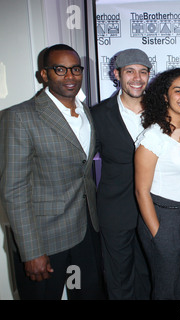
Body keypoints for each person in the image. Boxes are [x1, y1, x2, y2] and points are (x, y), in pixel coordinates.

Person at [0, 44, 105, 299]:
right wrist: (31, 251)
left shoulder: (86, 112)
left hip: (86, 232)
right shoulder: (20, 117)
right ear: (44, 75)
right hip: (44, 240)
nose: (70, 76)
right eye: (60, 69)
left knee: (87, 294)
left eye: (75, 69)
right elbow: (13, 190)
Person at [134, 68, 180, 300]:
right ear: (164, 96)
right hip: (163, 217)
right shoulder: (153, 136)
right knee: (165, 289)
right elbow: (141, 191)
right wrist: (158, 232)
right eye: (178, 91)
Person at [90, 49, 152, 299]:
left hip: (154, 206)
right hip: (115, 208)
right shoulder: (96, 115)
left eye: (143, 72)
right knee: (119, 276)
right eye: (130, 71)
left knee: (149, 272)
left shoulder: (164, 111)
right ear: (116, 74)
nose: (137, 78)